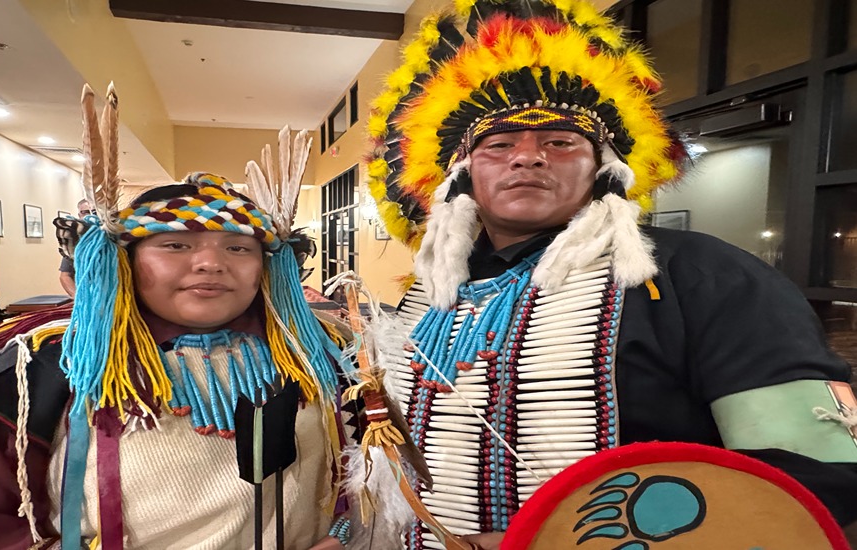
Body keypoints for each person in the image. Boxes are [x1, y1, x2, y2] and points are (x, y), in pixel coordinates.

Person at [363, 1, 857, 548]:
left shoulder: (699, 274)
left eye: (561, 142)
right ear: (462, 174)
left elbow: (811, 474)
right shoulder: (430, 294)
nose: (527, 158)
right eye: (498, 144)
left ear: (605, 168)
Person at [0, 86, 358, 549]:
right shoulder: (50, 362)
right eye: (176, 245)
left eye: (239, 248)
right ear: (123, 260)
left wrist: (343, 534)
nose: (211, 263)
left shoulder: (317, 349)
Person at [57, 199, 94, 297]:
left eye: (93, 212)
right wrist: (79, 299)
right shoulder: (75, 242)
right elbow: (65, 276)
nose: (90, 215)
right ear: (79, 215)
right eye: (85, 212)